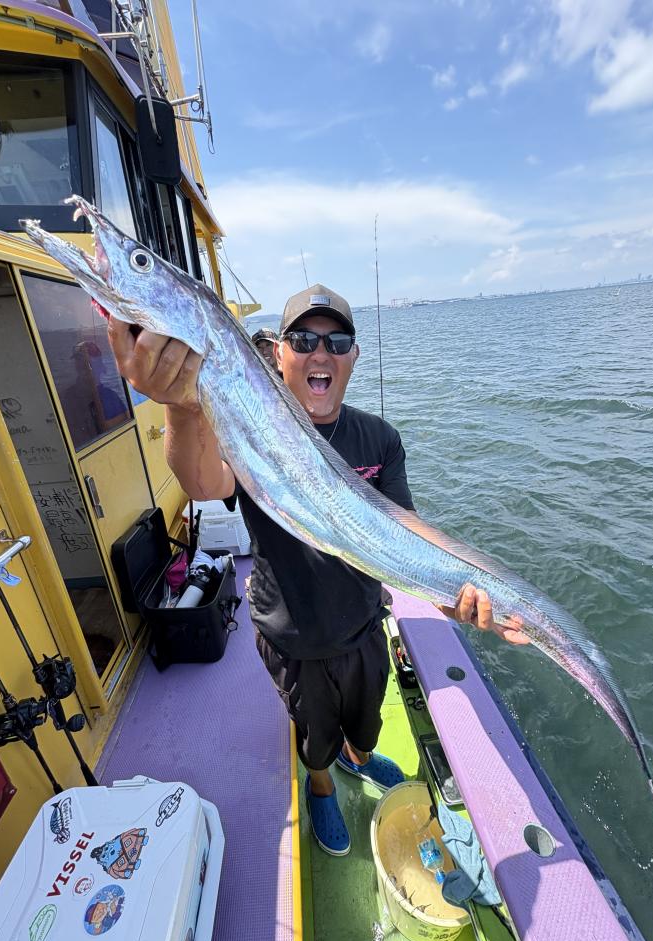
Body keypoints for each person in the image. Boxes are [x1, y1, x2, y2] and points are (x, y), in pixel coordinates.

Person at [106, 284, 528, 856]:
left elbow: (405, 531)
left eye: (337, 341)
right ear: (280, 354)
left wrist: (455, 586)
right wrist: (182, 407)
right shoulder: (248, 425)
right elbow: (202, 482)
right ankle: (322, 785)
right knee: (314, 738)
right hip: (292, 638)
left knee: (366, 723)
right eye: (303, 340)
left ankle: (359, 757)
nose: (320, 352)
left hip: (363, 627)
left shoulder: (379, 438)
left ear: (354, 356)